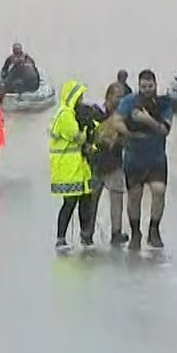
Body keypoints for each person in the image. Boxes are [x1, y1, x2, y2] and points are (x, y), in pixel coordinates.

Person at [116, 69, 173, 250]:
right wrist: (130, 133)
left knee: (159, 191)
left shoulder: (164, 103)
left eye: (150, 86)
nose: (147, 89)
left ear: (156, 85)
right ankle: (135, 233)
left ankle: (154, 230)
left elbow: (165, 130)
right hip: (133, 158)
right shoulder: (129, 101)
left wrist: (147, 120)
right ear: (138, 86)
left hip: (156, 157)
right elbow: (116, 121)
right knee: (134, 196)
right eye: (143, 86)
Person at [49, 81, 99, 248]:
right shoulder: (65, 114)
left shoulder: (72, 113)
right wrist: (86, 130)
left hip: (79, 166)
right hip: (67, 167)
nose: (82, 100)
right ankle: (61, 238)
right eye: (80, 97)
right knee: (69, 203)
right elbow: (76, 136)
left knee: (85, 201)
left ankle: (85, 237)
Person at [94, 77, 131, 245]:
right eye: (118, 96)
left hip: (115, 164)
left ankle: (116, 233)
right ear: (108, 96)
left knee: (117, 199)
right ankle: (87, 233)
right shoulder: (96, 114)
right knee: (91, 201)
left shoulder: (123, 117)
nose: (121, 99)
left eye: (123, 96)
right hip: (95, 164)